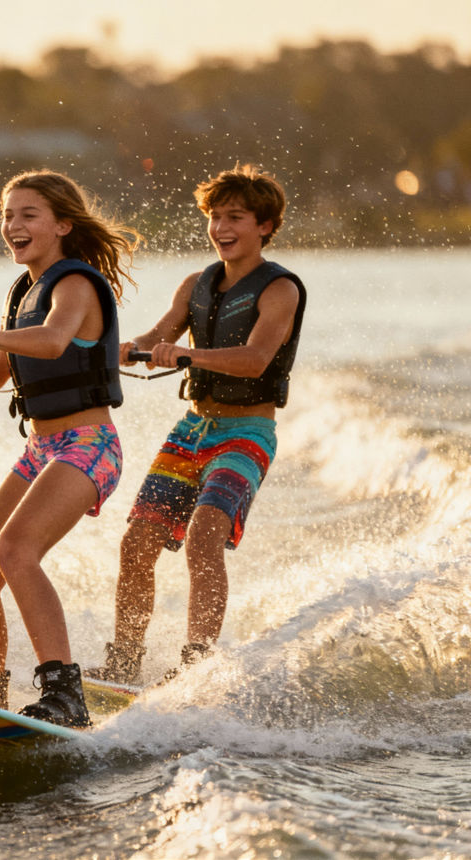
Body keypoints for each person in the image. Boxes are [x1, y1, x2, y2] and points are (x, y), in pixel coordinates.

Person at [0, 170, 137, 728]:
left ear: (63, 225)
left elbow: (54, 340)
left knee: (15, 551)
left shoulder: (74, 286)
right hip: (43, 447)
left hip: (89, 446)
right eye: (7, 216)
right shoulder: (24, 294)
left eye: (28, 215)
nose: (13, 225)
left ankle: (65, 694)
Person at [90, 164, 306, 684]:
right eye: (214, 217)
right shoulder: (196, 284)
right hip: (192, 432)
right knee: (138, 542)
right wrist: (123, 349)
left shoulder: (280, 290)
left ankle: (196, 666)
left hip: (247, 435)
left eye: (235, 217)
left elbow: (255, 359)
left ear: (265, 226)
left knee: (204, 537)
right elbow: (157, 335)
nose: (221, 227)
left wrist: (187, 354)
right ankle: (124, 663)